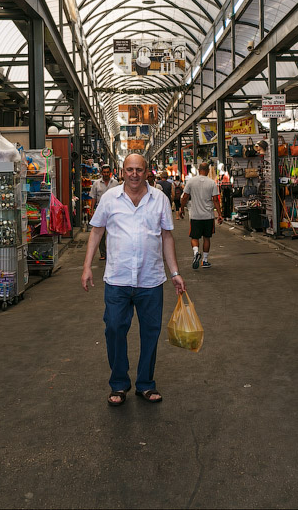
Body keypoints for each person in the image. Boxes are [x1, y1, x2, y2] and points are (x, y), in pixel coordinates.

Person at [81, 153, 186, 407]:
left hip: (150, 279)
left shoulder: (159, 199)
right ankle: (118, 384)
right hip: (117, 279)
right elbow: (96, 232)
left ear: (147, 171)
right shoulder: (109, 199)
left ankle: (146, 384)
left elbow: (166, 237)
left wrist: (174, 272)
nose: (134, 174)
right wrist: (87, 267)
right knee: (114, 329)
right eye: (130, 169)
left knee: (151, 332)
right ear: (122, 171)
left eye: (139, 169)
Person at [179, 161, 223, 269]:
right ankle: (205, 260)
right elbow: (216, 200)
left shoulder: (191, 181)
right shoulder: (212, 182)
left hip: (195, 215)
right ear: (208, 171)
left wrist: (181, 209)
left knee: (195, 237)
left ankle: (195, 253)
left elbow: (185, 197)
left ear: (198, 170)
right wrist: (220, 214)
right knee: (206, 238)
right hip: (208, 215)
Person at [89, 166, 120, 260]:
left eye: (107, 172)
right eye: (104, 172)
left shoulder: (115, 183)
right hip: (100, 210)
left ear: (110, 173)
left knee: (113, 232)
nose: (106, 174)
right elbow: (93, 197)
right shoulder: (96, 184)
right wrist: (91, 210)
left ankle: (113, 253)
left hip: (113, 210)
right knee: (100, 233)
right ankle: (103, 253)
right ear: (101, 173)